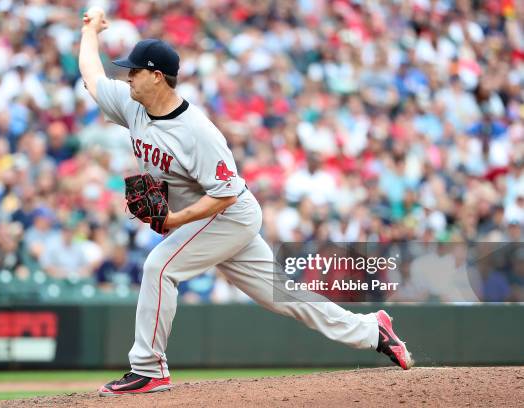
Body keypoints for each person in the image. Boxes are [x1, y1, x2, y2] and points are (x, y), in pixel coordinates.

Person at [79, 7, 413, 396]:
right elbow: (92, 78)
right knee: (283, 297)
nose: (128, 76)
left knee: (160, 266)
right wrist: (91, 31)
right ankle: (372, 330)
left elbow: (225, 194)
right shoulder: (132, 104)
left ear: (157, 76)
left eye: (134, 70)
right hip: (208, 220)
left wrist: (175, 220)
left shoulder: (198, 132)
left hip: (229, 214)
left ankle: (149, 368)